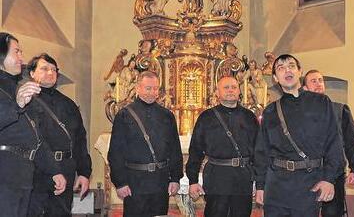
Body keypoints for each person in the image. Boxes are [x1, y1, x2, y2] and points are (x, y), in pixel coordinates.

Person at [254, 54, 344, 217]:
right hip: (276, 186)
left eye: (291, 66)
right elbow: (262, 151)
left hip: (308, 184)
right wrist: (260, 185)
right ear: (275, 78)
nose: (287, 70)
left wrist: (329, 179)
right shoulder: (270, 111)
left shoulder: (321, 102)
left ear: (299, 71)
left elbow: (334, 143)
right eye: (280, 68)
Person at [0, 32, 66, 217]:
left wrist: (54, 170)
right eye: (17, 51)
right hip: (4, 174)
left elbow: (36, 137)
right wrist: (17, 104)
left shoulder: (18, 88)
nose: (21, 57)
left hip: (24, 174)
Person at [108, 71, 183, 217]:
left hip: (160, 181)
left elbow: (174, 149)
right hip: (134, 182)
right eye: (148, 88)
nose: (152, 92)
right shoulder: (124, 115)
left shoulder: (167, 116)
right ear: (138, 88)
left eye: (155, 88)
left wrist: (175, 178)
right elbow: (116, 152)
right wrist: (120, 182)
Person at [26, 53, 92, 217]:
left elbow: (79, 140)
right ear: (32, 73)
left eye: (54, 70)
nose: (50, 73)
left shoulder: (68, 104)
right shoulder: (25, 101)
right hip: (36, 172)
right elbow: (33, 140)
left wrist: (84, 173)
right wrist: (53, 170)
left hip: (66, 168)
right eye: (44, 69)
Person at [186, 76, 259, 217]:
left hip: (243, 178)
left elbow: (258, 151)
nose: (230, 90)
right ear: (217, 93)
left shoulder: (249, 117)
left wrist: (260, 182)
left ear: (239, 91)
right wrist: (193, 181)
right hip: (216, 177)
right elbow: (195, 150)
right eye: (226, 87)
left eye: (234, 87)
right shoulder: (206, 117)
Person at [303, 69, 354, 217]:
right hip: (306, 174)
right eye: (313, 81)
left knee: (332, 214)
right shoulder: (299, 113)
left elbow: (351, 141)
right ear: (305, 88)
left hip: (333, 173)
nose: (318, 84)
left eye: (320, 80)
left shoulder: (339, 109)